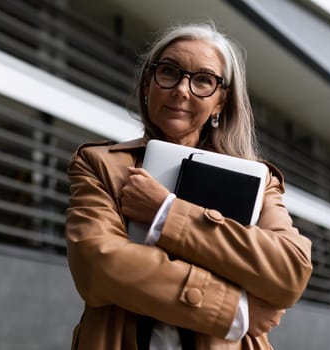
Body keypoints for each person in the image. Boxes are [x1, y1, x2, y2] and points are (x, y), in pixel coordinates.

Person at [65, 21, 313, 350]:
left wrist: (166, 213)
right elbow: (99, 266)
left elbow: (290, 270)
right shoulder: (100, 164)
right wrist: (234, 310)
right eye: (169, 72)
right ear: (147, 84)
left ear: (221, 102)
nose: (182, 89)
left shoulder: (258, 180)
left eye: (203, 81)